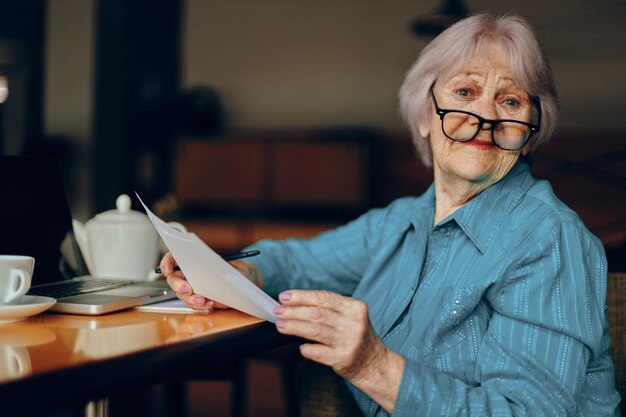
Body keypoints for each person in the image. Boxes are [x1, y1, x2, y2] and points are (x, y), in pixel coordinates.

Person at [160, 13, 621, 416]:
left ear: (531, 129)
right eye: (465, 91)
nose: (486, 115)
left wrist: (373, 365)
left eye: (511, 101)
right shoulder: (403, 220)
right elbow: (301, 260)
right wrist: (236, 272)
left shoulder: (548, 238)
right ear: (424, 114)